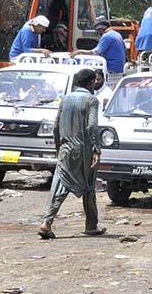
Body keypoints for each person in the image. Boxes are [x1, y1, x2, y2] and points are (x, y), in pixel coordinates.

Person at [38, 69, 105, 239]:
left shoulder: (65, 99)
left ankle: (47, 222)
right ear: (90, 83)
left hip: (65, 149)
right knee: (89, 186)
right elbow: (91, 126)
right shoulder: (91, 100)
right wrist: (96, 149)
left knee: (58, 186)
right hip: (83, 151)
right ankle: (91, 226)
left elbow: (55, 126)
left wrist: (58, 146)